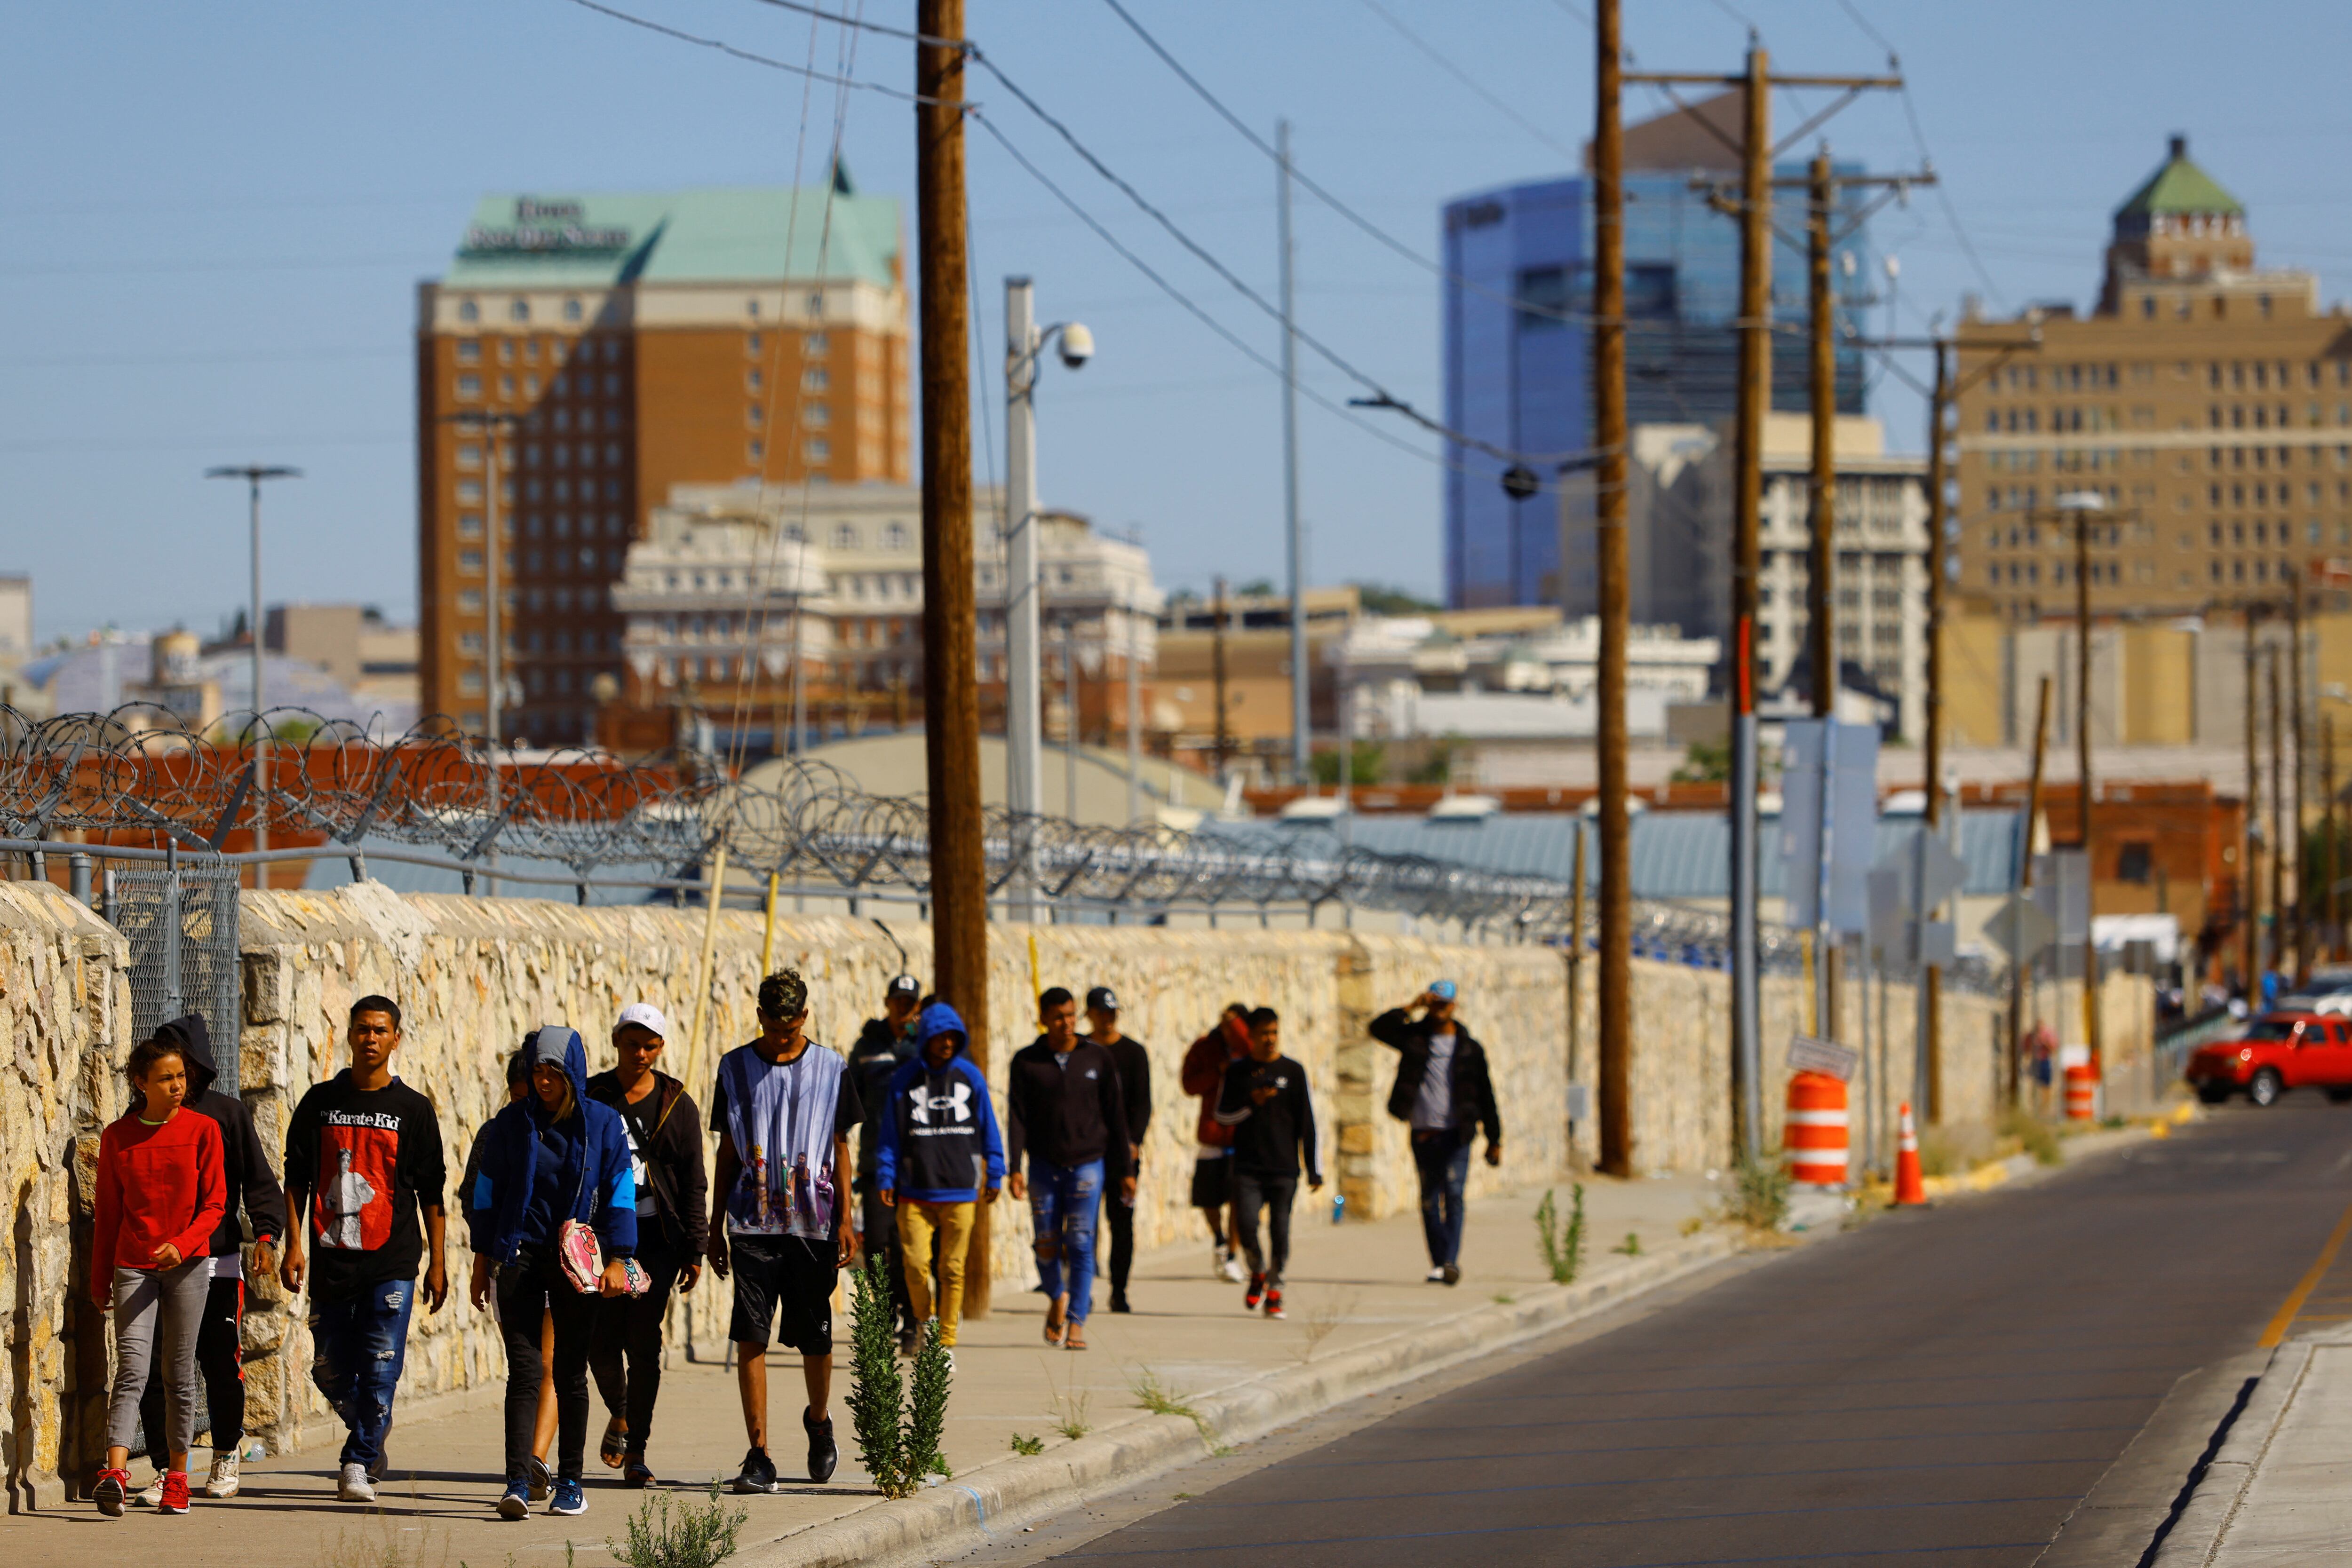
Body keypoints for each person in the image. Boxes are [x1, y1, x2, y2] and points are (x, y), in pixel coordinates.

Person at [281, 996, 449, 1505]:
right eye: (362, 1029)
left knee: (381, 1366)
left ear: (396, 1038)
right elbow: (296, 1178)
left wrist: (438, 1262)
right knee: (329, 1367)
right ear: (350, 1035)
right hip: (332, 1258)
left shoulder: (415, 1110)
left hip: (392, 1262)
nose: (371, 1038)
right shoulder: (318, 1102)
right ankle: (373, 1425)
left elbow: (433, 1193)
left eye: (380, 1030)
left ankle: (357, 1462)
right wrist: (294, 1244)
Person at [469, 1024, 638, 1520]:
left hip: (578, 1258)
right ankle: (517, 1483)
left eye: (553, 1072)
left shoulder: (604, 1125)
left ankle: (571, 1482)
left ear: (573, 1074)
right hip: (519, 1256)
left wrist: (618, 1257)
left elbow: (620, 1190)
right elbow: (486, 1194)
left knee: (568, 1372)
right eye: (536, 1071)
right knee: (523, 1372)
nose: (543, 1081)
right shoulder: (509, 1124)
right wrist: (482, 1262)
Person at [707, 969, 862, 1494]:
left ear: (804, 1018)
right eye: (772, 1027)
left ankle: (818, 1420)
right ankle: (758, 1454)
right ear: (760, 1017)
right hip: (750, 1223)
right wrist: (712, 1225)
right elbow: (727, 1149)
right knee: (750, 1334)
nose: (780, 1036)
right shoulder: (733, 1069)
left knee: (815, 1336)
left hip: (812, 1225)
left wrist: (845, 1217)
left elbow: (840, 1145)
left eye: (789, 1027)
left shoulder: (831, 1067)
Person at [130, 1013, 286, 1505]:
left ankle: (224, 1452)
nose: (181, 1079)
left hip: (215, 1260)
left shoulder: (226, 1113)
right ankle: (164, 1469)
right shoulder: (142, 1117)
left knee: (218, 1360)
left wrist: (266, 1233)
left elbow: (259, 1179)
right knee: (157, 1370)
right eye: (172, 1069)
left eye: (188, 1068)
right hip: (155, 1264)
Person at [90, 1032, 227, 1517]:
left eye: (181, 1077)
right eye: (166, 1078)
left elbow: (215, 1206)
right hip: (133, 1265)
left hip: (188, 1266)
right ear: (139, 1082)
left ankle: (177, 1477)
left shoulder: (203, 1129)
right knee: (132, 1367)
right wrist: (98, 1278)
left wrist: (183, 1244)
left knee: (178, 1373)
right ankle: (116, 1473)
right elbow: (107, 1214)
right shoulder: (117, 1136)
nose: (177, 1085)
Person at [585, 1003, 707, 1488]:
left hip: (656, 1240)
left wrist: (695, 1248)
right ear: (616, 1041)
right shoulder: (593, 1095)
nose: (640, 1052)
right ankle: (620, 1410)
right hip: (598, 1240)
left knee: (643, 1343)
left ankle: (636, 1448)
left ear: (661, 1048)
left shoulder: (678, 1106)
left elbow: (694, 1180)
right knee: (599, 1341)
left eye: (649, 1044)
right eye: (632, 1042)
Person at [874, 1001, 1004, 1361]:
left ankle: (945, 1343)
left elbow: (988, 1128)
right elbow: (890, 1136)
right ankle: (926, 1320)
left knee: (952, 1268)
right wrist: (886, 1174)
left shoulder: (970, 1077)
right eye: (939, 1036)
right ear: (927, 1038)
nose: (946, 1043)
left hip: (961, 1190)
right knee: (915, 1266)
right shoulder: (904, 1079)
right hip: (915, 1191)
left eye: (952, 1037)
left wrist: (995, 1171)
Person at [1006, 986, 1132, 1352]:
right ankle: (1057, 1295)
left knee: (1080, 1242)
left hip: (1088, 1166)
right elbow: (1017, 1117)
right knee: (1046, 1243)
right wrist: (1015, 1167)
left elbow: (1116, 1116)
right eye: (1059, 1017)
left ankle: (1077, 1321)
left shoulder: (1098, 1058)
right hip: (1044, 1166)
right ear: (1044, 1018)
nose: (1068, 1023)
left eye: (1072, 1015)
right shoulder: (1027, 1061)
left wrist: (1126, 1169)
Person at [463, 1046, 558, 1500]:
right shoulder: (497, 1133)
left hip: (558, 1266)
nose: (531, 1105)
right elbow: (477, 1203)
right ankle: (523, 1469)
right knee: (525, 1366)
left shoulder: (571, 1131)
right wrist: (481, 1265)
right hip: (510, 1264)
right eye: (521, 1095)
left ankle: (537, 1459)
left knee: (551, 1364)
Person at [1369, 981, 1502, 1287]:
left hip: (1458, 1134)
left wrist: (1495, 1139)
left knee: (1454, 1196)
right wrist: (1410, 1007)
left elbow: (1486, 1095)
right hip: (1424, 1133)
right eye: (1434, 1004)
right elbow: (1378, 1029)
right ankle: (1440, 1263)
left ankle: (1450, 1261)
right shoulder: (1415, 1039)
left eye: (1444, 1004)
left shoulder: (1469, 1048)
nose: (1439, 1009)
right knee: (1430, 1199)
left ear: (1454, 1006)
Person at [1214, 1007, 1321, 1320]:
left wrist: (1315, 1169)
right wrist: (1252, 1103)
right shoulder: (1238, 1072)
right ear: (1251, 1036)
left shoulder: (1294, 1071)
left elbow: (1308, 1122)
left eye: (1274, 1032)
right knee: (1247, 1224)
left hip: (1285, 1167)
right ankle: (1257, 1269)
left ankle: (1276, 1290)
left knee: (1281, 1229)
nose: (1270, 1039)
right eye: (1263, 1033)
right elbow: (1221, 1115)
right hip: (1248, 1166)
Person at [849, 975, 921, 1354]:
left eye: (911, 1003)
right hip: (877, 1162)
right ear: (888, 1002)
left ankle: (912, 1321)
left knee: (909, 1246)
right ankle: (885, 1316)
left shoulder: (926, 1047)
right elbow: (848, 1103)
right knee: (877, 1242)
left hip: (919, 1165)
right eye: (899, 1002)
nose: (904, 1009)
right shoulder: (867, 1046)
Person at [1085, 986, 1152, 1314]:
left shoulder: (1134, 1053)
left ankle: (1119, 1289)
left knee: (1122, 1222)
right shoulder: (1082, 1050)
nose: (1107, 1019)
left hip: (1123, 1156)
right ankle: (1082, 1288)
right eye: (1101, 1013)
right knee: (1083, 1222)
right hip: (1086, 1151)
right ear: (1090, 1015)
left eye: (1112, 1013)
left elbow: (1143, 1103)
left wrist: (1134, 1142)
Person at [1180, 1003, 1252, 1283]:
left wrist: (1236, 1027)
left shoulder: (1248, 1050)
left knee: (1237, 1200)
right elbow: (1189, 1084)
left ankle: (1233, 1254)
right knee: (1208, 1199)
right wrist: (1218, 1072)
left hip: (1241, 1138)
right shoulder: (1205, 1047)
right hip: (1211, 1135)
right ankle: (1220, 1239)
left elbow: (1247, 1045)